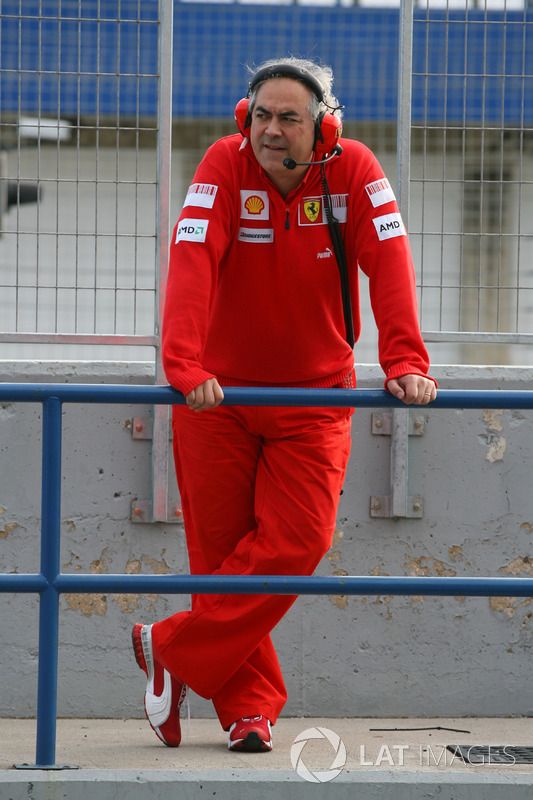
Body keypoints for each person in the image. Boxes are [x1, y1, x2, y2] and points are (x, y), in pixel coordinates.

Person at [132, 57, 437, 753]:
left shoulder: (356, 171)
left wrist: (405, 360)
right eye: (260, 116)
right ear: (244, 119)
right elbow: (191, 259)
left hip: (313, 399)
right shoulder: (221, 162)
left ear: (323, 126)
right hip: (218, 399)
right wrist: (184, 364)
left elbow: (390, 264)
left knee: (298, 542)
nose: (270, 131)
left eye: (288, 118)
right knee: (219, 560)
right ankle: (248, 710)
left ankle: (169, 650)